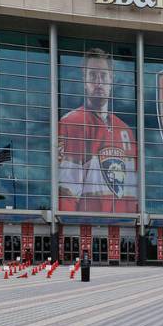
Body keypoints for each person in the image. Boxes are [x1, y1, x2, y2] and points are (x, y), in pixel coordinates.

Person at [58, 48, 138, 212]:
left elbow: (132, 191)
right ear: (84, 81)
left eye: (103, 76)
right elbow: (67, 191)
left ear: (111, 79)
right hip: (88, 227)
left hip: (124, 228)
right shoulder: (71, 123)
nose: (99, 82)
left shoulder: (126, 131)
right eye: (93, 76)